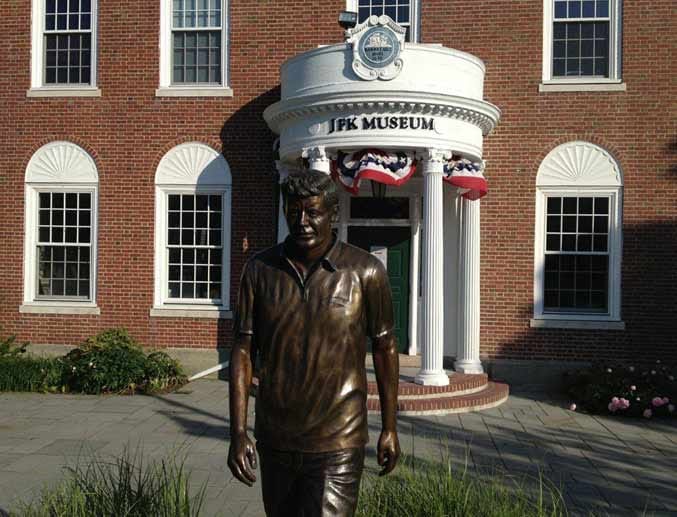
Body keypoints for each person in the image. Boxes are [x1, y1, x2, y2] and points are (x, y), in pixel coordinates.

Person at [227, 171, 400, 517]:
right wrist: (238, 431)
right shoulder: (259, 271)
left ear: (332, 213)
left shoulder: (365, 272)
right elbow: (243, 350)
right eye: (293, 211)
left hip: (339, 436)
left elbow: (385, 348)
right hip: (276, 437)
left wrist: (390, 428)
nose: (302, 221)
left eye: (313, 212)